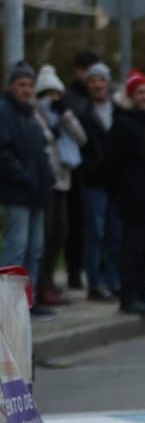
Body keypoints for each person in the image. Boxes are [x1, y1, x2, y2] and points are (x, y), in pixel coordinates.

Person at [105, 70, 145, 316]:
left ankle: (143, 291)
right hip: (133, 197)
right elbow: (112, 163)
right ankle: (129, 295)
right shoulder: (123, 124)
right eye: (140, 92)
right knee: (133, 248)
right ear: (132, 96)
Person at [0, 65, 56, 318]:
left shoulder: (31, 114)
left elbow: (42, 150)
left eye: (30, 85)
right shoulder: (5, 112)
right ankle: (8, 306)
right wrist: (25, 178)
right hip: (17, 193)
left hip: (37, 193)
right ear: (11, 86)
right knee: (16, 249)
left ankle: (26, 303)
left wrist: (46, 178)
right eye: (21, 84)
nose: (26, 90)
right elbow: (4, 152)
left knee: (35, 249)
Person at [34, 65, 86, 308]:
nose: (51, 99)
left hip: (63, 182)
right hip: (46, 183)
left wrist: (66, 115)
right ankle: (42, 284)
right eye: (47, 94)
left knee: (60, 232)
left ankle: (50, 280)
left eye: (55, 94)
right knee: (44, 235)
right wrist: (50, 131)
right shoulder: (35, 115)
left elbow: (81, 138)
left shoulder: (63, 114)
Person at [76, 63, 120, 302]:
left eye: (101, 80)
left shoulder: (118, 110)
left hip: (117, 181)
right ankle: (95, 282)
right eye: (93, 80)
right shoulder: (83, 113)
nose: (97, 85)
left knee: (115, 233)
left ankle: (113, 279)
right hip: (94, 182)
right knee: (96, 232)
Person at [62, 48, 100, 291]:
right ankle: (74, 271)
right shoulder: (70, 97)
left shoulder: (97, 96)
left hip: (96, 171)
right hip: (76, 170)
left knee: (93, 224)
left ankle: (90, 269)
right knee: (75, 224)